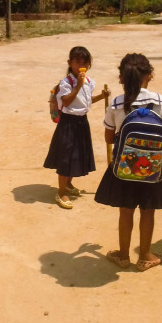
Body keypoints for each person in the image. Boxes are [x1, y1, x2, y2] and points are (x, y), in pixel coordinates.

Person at [94, 53, 162, 271]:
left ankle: (123, 255)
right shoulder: (159, 100)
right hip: (154, 167)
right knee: (148, 211)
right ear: (149, 75)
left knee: (126, 211)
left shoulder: (116, 103)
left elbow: (109, 138)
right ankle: (145, 256)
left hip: (125, 167)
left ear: (121, 78)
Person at [43, 46, 106, 209]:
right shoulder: (66, 83)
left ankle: (69, 185)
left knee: (77, 155)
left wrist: (102, 96)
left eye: (85, 62)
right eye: (77, 61)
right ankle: (61, 192)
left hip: (82, 122)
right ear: (70, 63)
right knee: (66, 157)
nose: (81, 65)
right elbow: (66, 101)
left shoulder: (90, 82)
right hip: (68, 123)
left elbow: (87, 100)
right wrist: (78, 85)